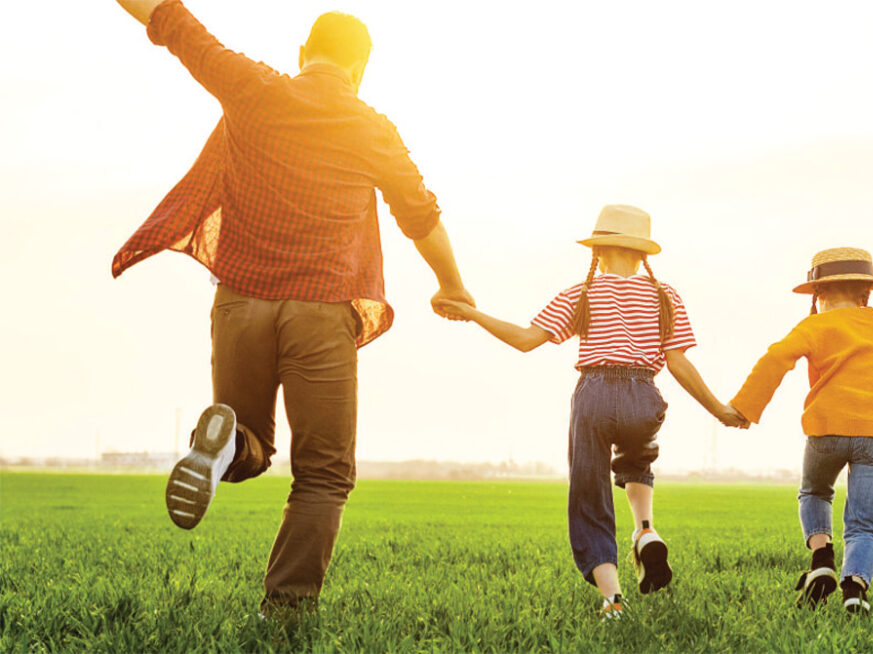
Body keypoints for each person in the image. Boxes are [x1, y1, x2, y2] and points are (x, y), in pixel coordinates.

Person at [109, 0, 473, 613]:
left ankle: (220, 444)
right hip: (320, 314)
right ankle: (286, 610)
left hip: (241, 304)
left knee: (249, 442)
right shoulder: (371, 127)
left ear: (304, 55)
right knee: (324, 474)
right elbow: (422, 217)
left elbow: (170, 21)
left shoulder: (253, 86)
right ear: (359, 71)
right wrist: (452, 285)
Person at [434, 205, 745, 618]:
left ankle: (613, 600)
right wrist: (719, 409)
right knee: (637, 456)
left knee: (589, 495)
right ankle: (645, 529)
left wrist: (471, 313)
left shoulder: (581, 293)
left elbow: (526, 340)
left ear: (597, 251)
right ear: (642, 254)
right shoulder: (665, 295)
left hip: (595, 393)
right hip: (644, 394)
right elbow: (679, 363)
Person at [728, 247, 873, 614]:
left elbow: (775, 359)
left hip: (826, 430)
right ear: (866, 295)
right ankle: (854, 588)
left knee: (815, 491)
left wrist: (744, 408)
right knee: (865, 524)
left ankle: (822, 558)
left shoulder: (813, 326)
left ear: (817, 294)